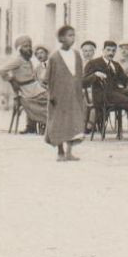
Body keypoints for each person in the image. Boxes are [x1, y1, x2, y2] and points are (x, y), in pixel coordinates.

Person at [43, 25, 88, 161]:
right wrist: (51, 95)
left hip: (74, 94)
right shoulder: (54, 57)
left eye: (74, 35)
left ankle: (69, 151)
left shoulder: (76, 55)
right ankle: (60, 152)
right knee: (59, 122)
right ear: (61, 38)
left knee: (74, 121)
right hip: (59, 95)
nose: (72, 38)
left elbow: (80, 75)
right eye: (69, 35)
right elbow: (47, 79)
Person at [0, 35, 48, 132]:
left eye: (29, 46)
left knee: (55, 97)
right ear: (19, 48)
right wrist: (11, 79)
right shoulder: (18, 60)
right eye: (25, 46)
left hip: (35, 88)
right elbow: (1, 70)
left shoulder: (27, 60)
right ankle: (47, 123)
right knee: (50, 99)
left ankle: (38, 125)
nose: (28, 48)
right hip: (28, 91)